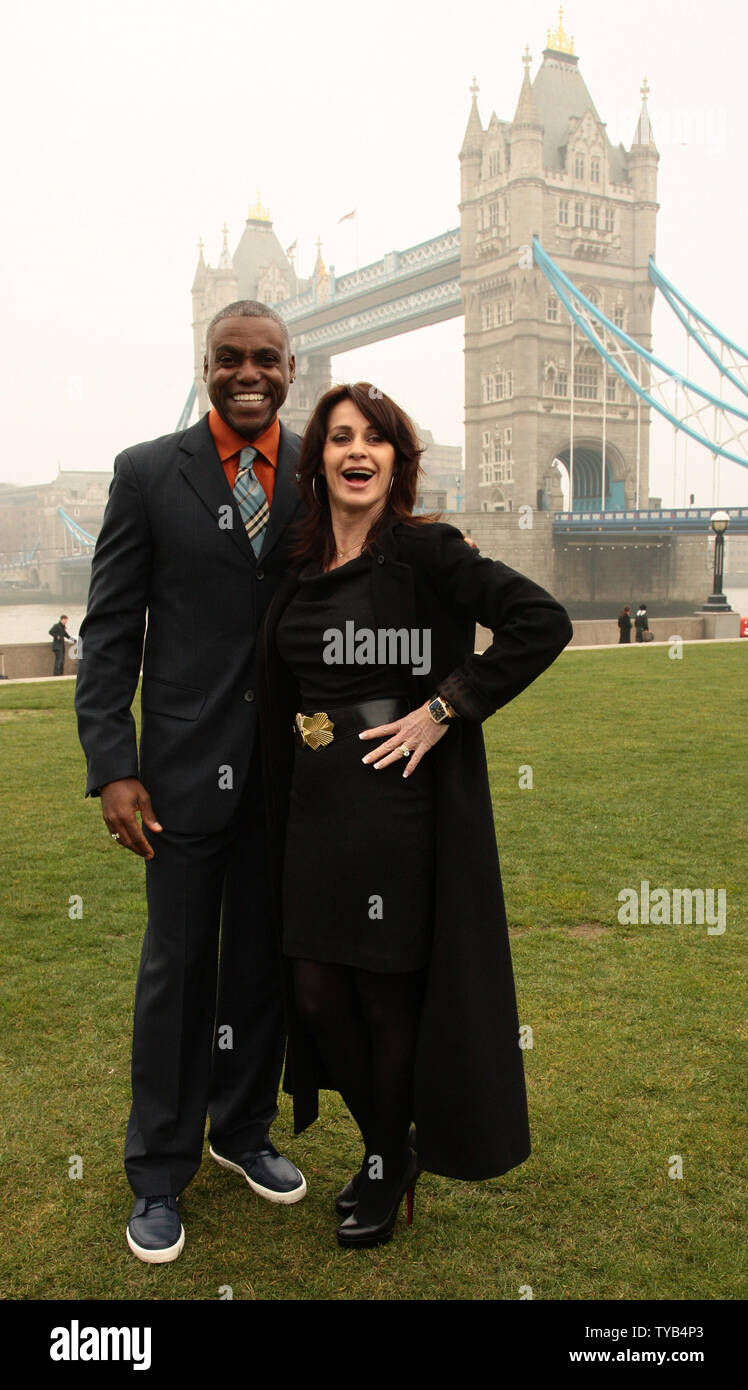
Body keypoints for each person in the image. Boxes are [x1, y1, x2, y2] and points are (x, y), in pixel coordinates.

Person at [258, 383, 573, 1249]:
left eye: (376, 440)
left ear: (398, 459)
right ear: (316, 460)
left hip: (395, 811)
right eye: (339, 439)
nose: (357, 453)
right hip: (313, 810)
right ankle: (392, 1148)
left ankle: (381, 1158)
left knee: (385, 997)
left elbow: (538, 622)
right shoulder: (296, 561)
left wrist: (445, 708)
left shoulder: (429, 551)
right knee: (316, 995)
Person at [75, 301, 308, 1264]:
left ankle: (241, 1129)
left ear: (292, 366)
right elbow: (110, 631)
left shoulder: (316, 469)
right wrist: (113, 768)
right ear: (203, 365)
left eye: (266, 358)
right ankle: (159, 1171)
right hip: (175, 774)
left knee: (262, 965)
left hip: (291, 775)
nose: (248, 373)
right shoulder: (144, 473)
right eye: (229, 359)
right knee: (178, 973)